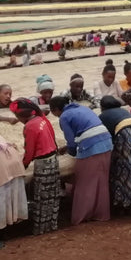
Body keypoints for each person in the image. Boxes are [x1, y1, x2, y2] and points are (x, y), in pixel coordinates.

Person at [50, 95, 112, 225]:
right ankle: (100, 212)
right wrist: (67, 148)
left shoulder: (64, 117)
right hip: (106, 142)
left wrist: (71, 152)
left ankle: (83, 215)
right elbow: (85, 129)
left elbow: (72, 142)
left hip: (91, 147)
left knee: (84, 182)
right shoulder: (82, 108)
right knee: (101, 180)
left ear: (55, 109)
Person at [9, 98, 61, 235]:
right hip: (53, 160)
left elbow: (29, 151)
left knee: (42, 196)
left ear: (20, 116)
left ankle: (41, 228)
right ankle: (51, 224)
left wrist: (23, 166)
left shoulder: (30, 126)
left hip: (43, 164)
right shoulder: (41, 119)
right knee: (52, 195)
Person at [98, 96, 131, 212]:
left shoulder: (103, 116)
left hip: (127, 134)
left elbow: (106, 136)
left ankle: (126, 203)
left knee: (126, 168)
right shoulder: (124, 111)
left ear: (102, 107)